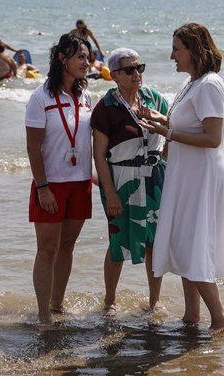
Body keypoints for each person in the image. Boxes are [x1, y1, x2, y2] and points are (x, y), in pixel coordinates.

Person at [138, 23, 224, 334]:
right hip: (186, 174)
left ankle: (219, 319)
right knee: (183, 244)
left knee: (193, 245)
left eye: (176, 49)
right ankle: (191, 317)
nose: (171, 56)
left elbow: (213, 137)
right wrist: (160, 119)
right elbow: (189, 125)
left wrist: (168, 132)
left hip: (201, 177)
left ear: (194, 50)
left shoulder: (208, 85)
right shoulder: (193, 83)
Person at [90, 48, 169, 316]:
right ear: (114, 76)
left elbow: (171, 135)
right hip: (121, 180)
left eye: (139, 68)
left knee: (154, 241)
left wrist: (169, 173)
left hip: (155, 178)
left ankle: (154, 300)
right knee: (118, 240)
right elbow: (98, 155)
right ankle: (110, 301)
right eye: (129, 70)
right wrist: (109, 192)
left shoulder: (155, 99)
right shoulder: (106, 107)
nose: (137, 74)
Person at [24, 34, 94, 325]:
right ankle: (43, 314)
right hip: (50, 184)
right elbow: (33, 147)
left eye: (88, 57)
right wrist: (43, 187)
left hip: (80, 183)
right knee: (47, 249)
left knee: (67, 247)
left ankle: (57, 304)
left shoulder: (86, 95)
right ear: (62, 59)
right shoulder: (40, 97)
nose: (87, 63)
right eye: (81, 57)